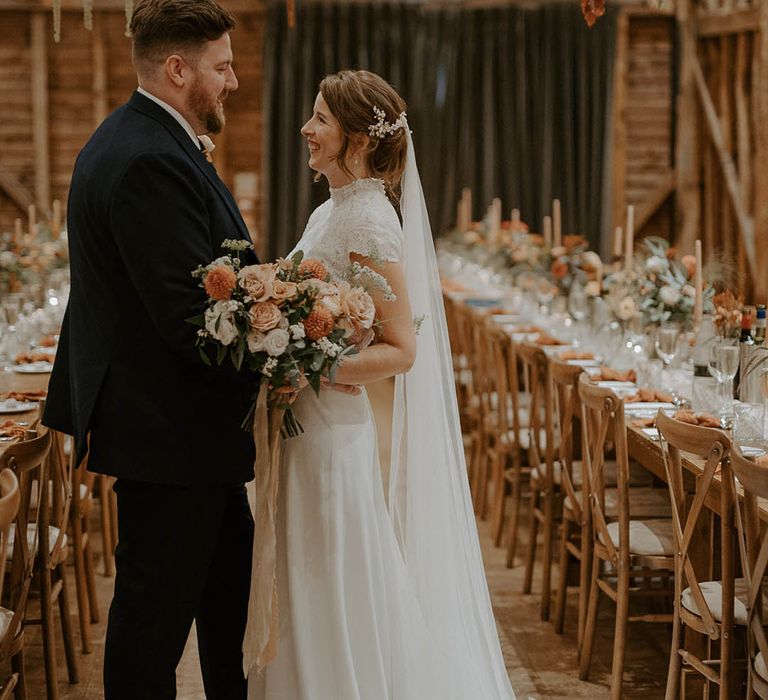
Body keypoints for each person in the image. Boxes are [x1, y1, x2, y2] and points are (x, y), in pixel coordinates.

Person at [244, 70, 516, 699]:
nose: (307, 130)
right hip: (304, 428)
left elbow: (402, 349)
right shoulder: (330, 211)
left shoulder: (368, 222)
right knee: (306, 569)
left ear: (358, 139)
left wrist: (311, 366)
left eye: (321, 120)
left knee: (327, 574)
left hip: (330, 432)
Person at [43, 1, 257, 697]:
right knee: (151, 627)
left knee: (229, 603)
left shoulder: (144, 142)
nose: (232, 81)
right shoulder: (144, 160)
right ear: (177, 69)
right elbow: (189, 317)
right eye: (221, 66)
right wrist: (288, 358)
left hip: (189, 435)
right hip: (171, 432)